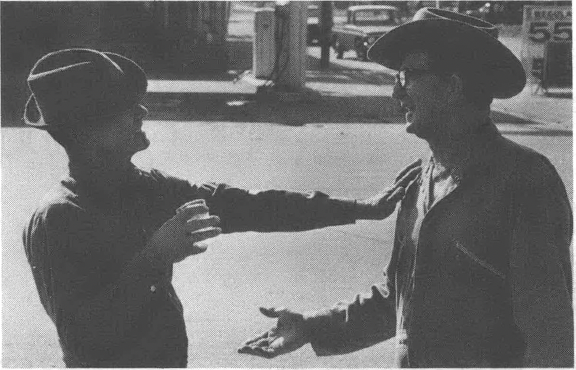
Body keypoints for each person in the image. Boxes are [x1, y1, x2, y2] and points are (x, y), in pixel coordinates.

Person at [21, 48, 421, 368]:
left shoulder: (145, 188)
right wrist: (155, 257)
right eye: (125, 108)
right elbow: (83, 337)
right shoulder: (59, 218)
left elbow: (250, 207)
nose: (141, 113)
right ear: (91, 132)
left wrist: (358, 208)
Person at [238, 8, 573, 367]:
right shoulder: (419, 180)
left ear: (452, 88)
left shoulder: (524, 181)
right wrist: (311, 327)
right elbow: (398, 298)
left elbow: (550, 335)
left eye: (407, 76)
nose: (396, 92)